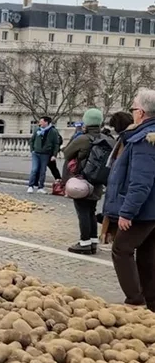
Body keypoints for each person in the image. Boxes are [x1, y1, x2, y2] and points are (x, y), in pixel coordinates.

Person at [103, 89, 155, 308]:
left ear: (141, 113)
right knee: (148, 254)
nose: (132, 112)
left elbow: (141, 182)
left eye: (133, 108)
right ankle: (151, 303)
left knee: (121, 249)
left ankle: (134, 298)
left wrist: (127, 212)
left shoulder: (144, 140)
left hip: (144, 210)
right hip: (151, 209)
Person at [63, 108, 112, 255]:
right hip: (99, 181)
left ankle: (84, 242)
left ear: (86, 122)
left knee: (83, 211)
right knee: (91, 210)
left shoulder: (83, 139)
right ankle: (92, 241)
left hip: (83, 180)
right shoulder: (108, 139)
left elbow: (67, 153)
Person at [98, 111, 135, 250]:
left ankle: (110, 238)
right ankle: (108, 237)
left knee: (115, 212)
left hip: (119, 184)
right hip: (116, 183)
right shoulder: (123, 139)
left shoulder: (126, 140)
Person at [27, 115, 61, 194]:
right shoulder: (37, 130)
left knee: (43, 171)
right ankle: (30, 186)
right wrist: (32, 150)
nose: (40, 123)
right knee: (34, 169)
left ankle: (40, 187)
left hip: (46, 154)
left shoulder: (53, 131)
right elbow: (32, 140)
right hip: (36, 153)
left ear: (46, 122)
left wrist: (54, 155)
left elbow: (56, 144)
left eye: (41, 122)